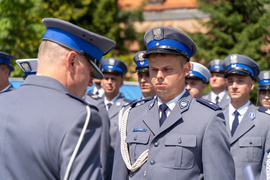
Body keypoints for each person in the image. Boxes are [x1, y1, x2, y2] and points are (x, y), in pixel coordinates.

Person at [112, 26, 235, 180]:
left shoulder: (207, 118)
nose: (159, 76)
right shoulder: (131, 115)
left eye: (167, 69)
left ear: (186, 69)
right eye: (153, 70)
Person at [0, 18, 116, 180]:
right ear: (72, 61)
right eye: (90, 72)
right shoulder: (80, 116)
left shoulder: (3, 102)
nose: (90, 82)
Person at [223, 54, 270, 180]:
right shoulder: (215, 117)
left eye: (240, 81)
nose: (234, 86)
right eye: (231, 81)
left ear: (252, 85)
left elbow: (268, 167)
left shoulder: (265, 121)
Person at [100, 57, 132, 179]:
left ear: (121, 82)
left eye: (113, 79)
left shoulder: (129, 108)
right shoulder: (90, 104)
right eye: (106, 78)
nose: (109, 82)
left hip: (114, 170)